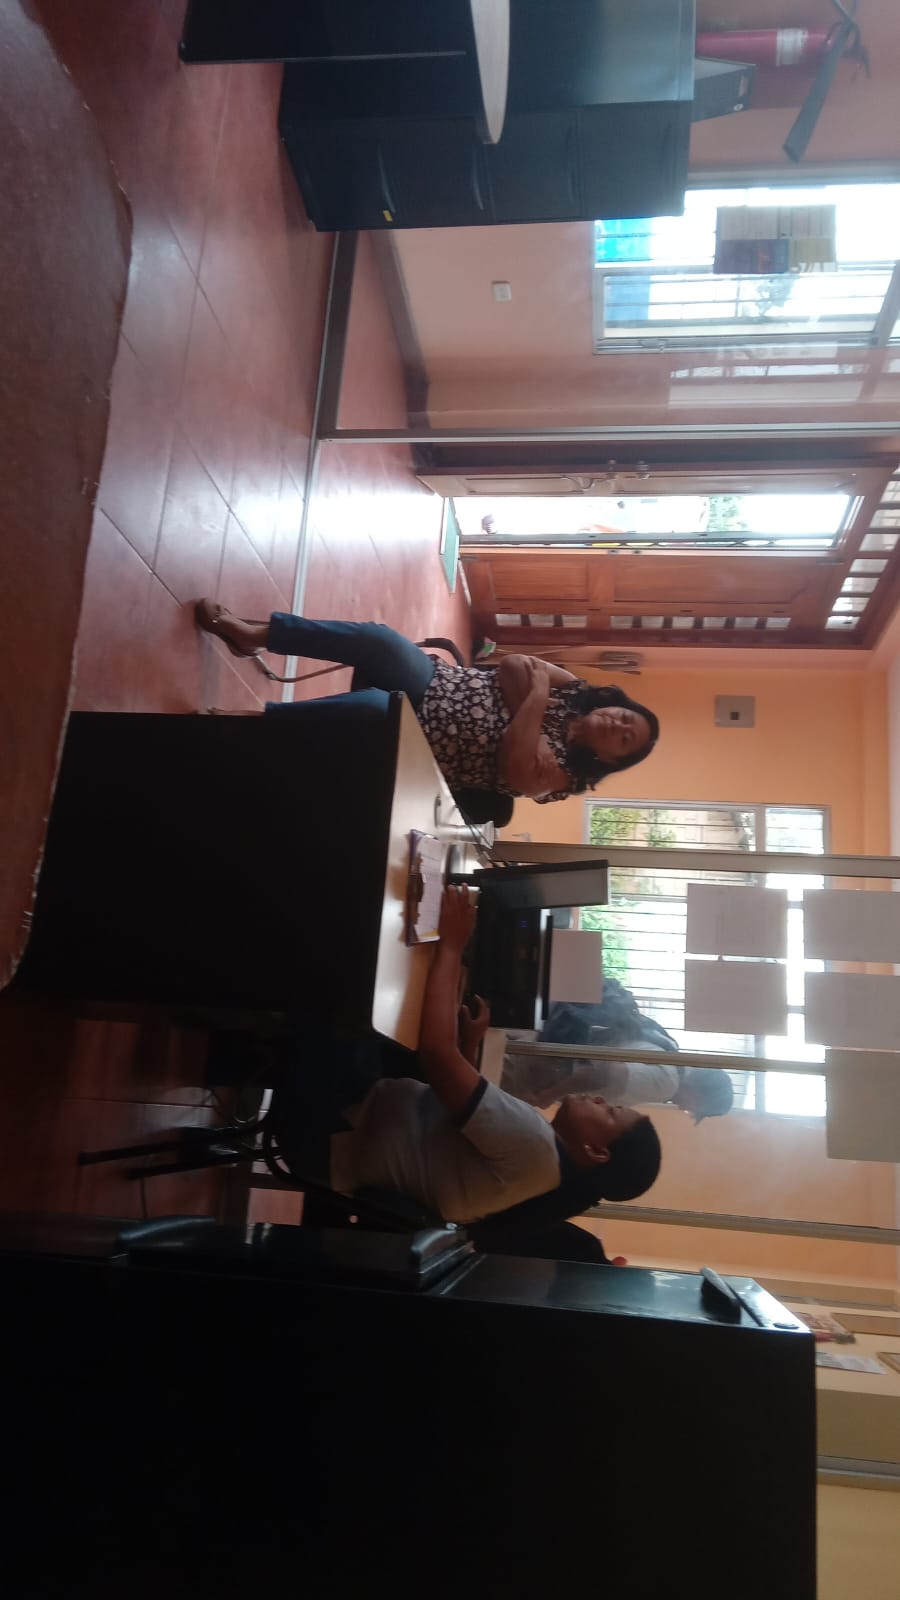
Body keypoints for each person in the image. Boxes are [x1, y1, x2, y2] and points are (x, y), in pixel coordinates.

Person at [267, 886, 662, 1226]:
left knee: (348, 969)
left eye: (611, 1112)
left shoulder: (535, 1151)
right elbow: (460, 1122)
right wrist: (469, 1046)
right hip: (347, 1129)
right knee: (376, 1004)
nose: (601, 1100)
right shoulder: (541, 1170)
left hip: (330, 1124)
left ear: (596, 1151)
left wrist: (452, 946)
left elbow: (436, 1055)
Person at [195, 601, 660, 804]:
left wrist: (532, 702)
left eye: (625, 739)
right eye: (626, 717)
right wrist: (532, 713)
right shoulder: (574, 690)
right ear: (616, 702)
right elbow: (515, 665)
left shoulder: (564, 779)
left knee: (372, 710)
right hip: (437, 682)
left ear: (608, 759)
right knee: (380, 641)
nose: (617, 724)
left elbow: (515, 768)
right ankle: (254, 635)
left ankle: (253, 721)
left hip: (421, 747)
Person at [501, 994, 734, 1122]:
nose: (686, 1110)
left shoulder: (668, 1048)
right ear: (700, 1097)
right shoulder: (666, 1083)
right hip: (535, 1070)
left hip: (542, 1041)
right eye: (694, 1110)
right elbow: (606, 1072)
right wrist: (548, 1095)